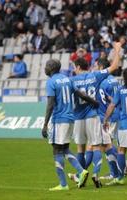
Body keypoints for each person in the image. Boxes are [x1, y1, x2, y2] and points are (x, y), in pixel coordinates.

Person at [69, 42, 121, 188]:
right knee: (97, 146)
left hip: (78, 117)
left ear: (78, 67)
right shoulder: (96, 75)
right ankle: (95, 174)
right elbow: (114, 67)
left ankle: (80, 175)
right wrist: (117, 51)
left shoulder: (71, 80)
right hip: (93, 116)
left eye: (74, 67)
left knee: (81, 148)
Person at [41, 59, 98, 191]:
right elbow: (81, 95)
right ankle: (82, 171)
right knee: (65, 148)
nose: (45, 68)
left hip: (59, 120)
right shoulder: (67, 79)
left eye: (46, 66)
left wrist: (45, 124)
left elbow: (50, 103)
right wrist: (93, 102)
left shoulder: (51, 81)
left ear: (51, 68)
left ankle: (63, 184)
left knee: (56, 150)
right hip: (70, 119)